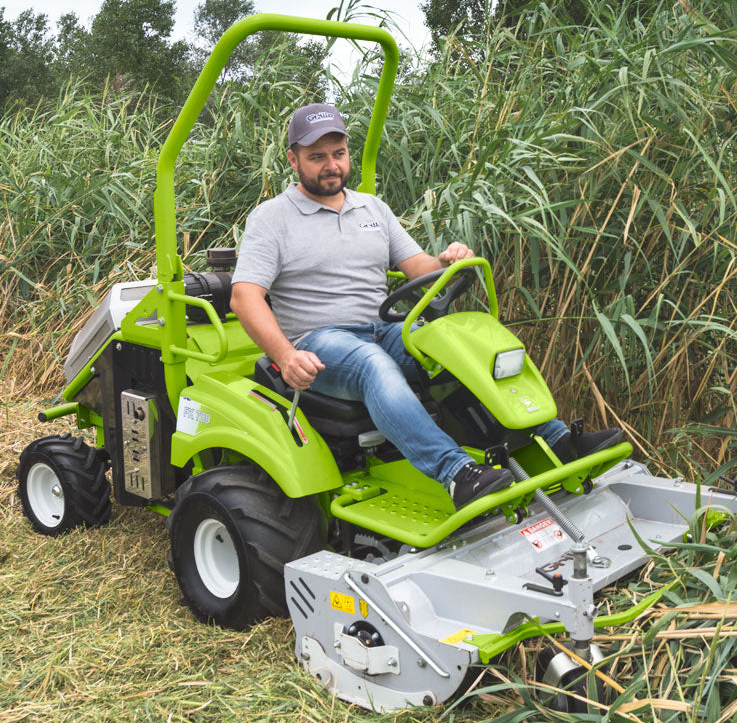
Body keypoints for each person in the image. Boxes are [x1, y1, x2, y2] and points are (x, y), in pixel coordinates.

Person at [230, 103, 619, 508]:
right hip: (321, 340)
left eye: (338, 154)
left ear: (347, 152)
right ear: (293, 159)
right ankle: (456, 473)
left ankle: (557, 439)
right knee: (371, 364)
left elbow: (420, 269)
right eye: (317, 157)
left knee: (456, 344)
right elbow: (245, 297)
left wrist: (448, 261)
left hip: (382, 326)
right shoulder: (272, 218)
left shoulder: (372, 209)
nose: (331, 165)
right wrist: (287, 356)